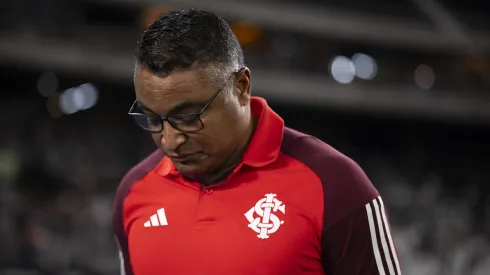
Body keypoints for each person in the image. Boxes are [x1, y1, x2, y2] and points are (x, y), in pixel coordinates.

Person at [113, 9, 402, 275]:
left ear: (240, 87)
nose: (169, 140)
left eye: (188, 117)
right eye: (152, 118)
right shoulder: (133, 193)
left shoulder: (335, 186)